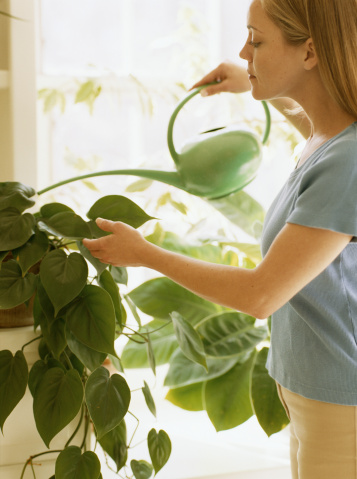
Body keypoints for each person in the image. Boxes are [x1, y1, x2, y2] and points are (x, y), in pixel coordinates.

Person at [83, 1, 357, 477]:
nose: (243, 50)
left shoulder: (347, 161)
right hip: (311, 395)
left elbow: (261, 294)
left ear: (310, 51)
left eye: (256, 40)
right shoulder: (327, 141)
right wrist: (253, 78)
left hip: (343, 409)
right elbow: (319, 131)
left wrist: (145, 254)